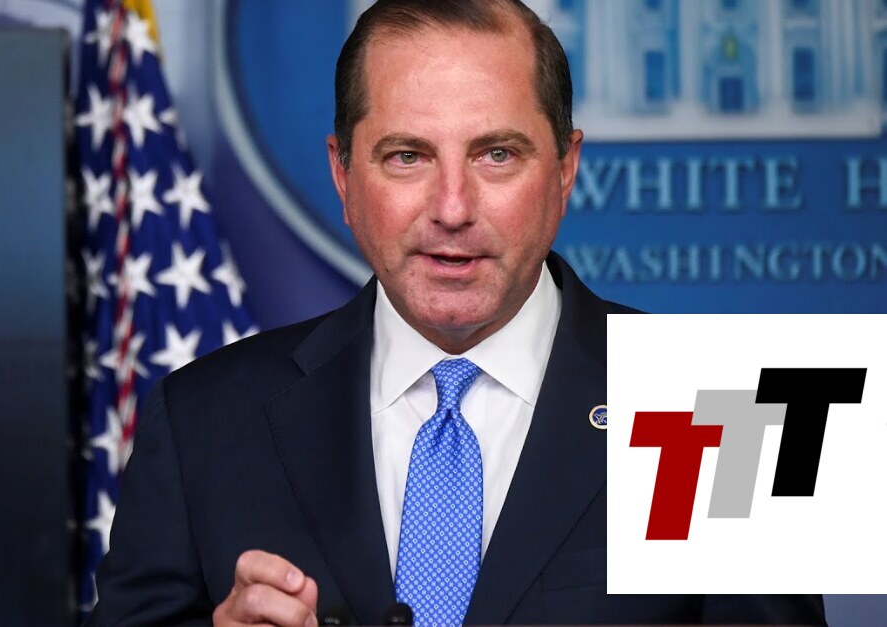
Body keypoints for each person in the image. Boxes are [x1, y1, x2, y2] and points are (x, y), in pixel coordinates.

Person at [88, 1, 827, 625]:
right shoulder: (201, 418)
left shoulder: (731, 399)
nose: (451, 208)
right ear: (342, 175)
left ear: (565, 169)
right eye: (406, 156)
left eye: (496, 154)